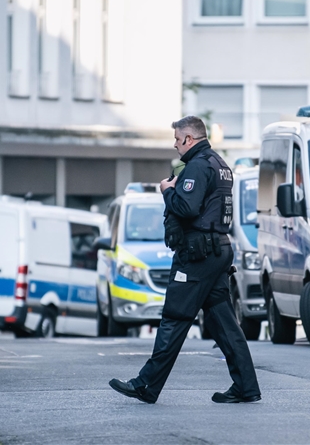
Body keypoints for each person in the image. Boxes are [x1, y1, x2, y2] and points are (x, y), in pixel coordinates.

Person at [109, 116, 261, 404]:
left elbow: (187, 207)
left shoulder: (198, 166)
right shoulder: (219, 164)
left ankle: (146, 385)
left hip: (197, 255)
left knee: (175, 318)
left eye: (177, 140)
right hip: (216, 250)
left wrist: (167, 191)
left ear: (189, 139)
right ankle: (246, 386)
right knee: (224, 324)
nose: (175, 145)